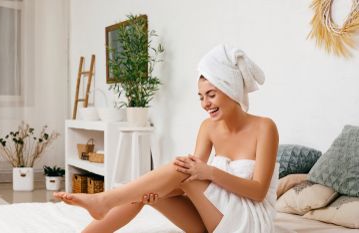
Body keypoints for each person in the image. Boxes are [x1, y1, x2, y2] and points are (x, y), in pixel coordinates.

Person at [54, 44, 279, 233]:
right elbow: (188, 181)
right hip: (212, 219)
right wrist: (161, 194)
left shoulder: (264, 127)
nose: (205, 104)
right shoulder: (208, 127)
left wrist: (210, 172)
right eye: (201, 97)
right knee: (150, 189)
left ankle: (105, 200)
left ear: (232, 90)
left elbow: (258, 192)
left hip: (248, 221)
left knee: (182, 168)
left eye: (211, 95)